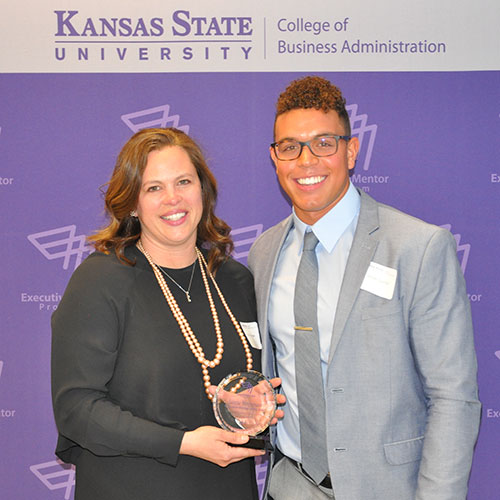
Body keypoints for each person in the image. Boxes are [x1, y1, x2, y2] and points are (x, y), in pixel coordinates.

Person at [247, 76, 481, 500]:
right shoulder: (264, 253)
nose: (306, 161)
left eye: (324, 143)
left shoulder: (418, 247)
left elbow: (453, 397)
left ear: (351, 151)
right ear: (275, 158)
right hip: (290, 486)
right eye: (290, 147)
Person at [51, 127, 283, 500]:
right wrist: (184, 443)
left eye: (183, 182)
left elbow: (242, 395)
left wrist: (254, 408)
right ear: (131, 203)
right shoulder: (100, 281)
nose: (172, 199)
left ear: (203, 191)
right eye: (153, 188)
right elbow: (77, 410)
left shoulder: (235, 281)